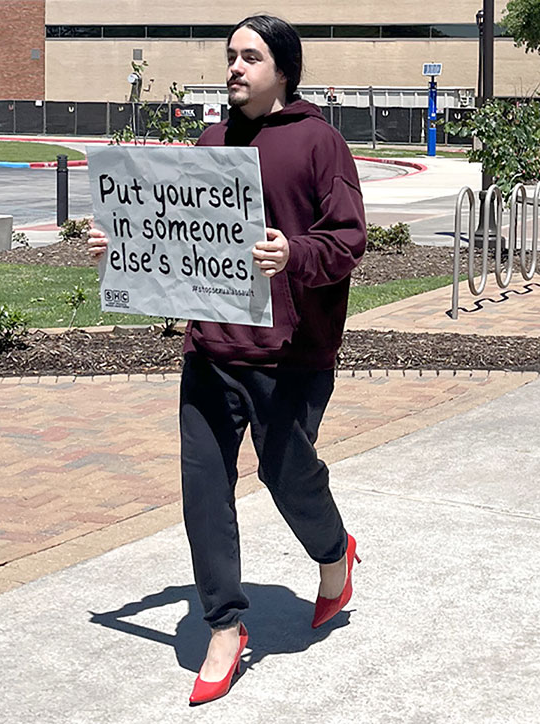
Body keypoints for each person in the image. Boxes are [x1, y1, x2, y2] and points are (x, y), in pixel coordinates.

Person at [87, 15, 366, 705]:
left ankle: (334, 554)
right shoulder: (212, 140)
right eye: (231, 55)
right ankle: (225, 626)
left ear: (284, 70)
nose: (235, 66)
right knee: (205, 490)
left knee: (286, 474)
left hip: (293, 354)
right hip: (210, 350)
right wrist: (123, 246)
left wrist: (292, 254)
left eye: (250, 56)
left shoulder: (320, 142)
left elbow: (349, 238)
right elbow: (180, 233)